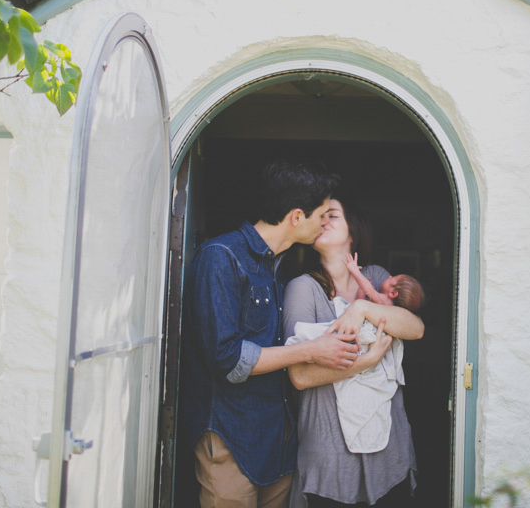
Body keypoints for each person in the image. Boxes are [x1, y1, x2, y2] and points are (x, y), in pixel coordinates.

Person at [181, 160, 362, 508]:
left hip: (277, 437)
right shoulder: (220, 257)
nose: (325, 222)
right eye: (322, 215)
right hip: (230, 437)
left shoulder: (280, 266)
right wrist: (312, 350)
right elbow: (228, 360)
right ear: (296, 217)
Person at [283, 198, 424, 508]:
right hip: (330, 453)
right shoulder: (303, 289)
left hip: (389, 446)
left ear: (353, 232)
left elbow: (415, 328)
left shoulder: (374, 276)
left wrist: (361, 307)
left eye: (331, 215)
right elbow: (300, 376)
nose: (322, 221)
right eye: (318, 215)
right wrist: (367, 362)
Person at [343, 252, 424, 312]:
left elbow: (368, 290)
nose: (389, 276)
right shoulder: (393, 310)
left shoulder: (385, 301)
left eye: (391, 279)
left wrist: (355, 271)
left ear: (393, 293)